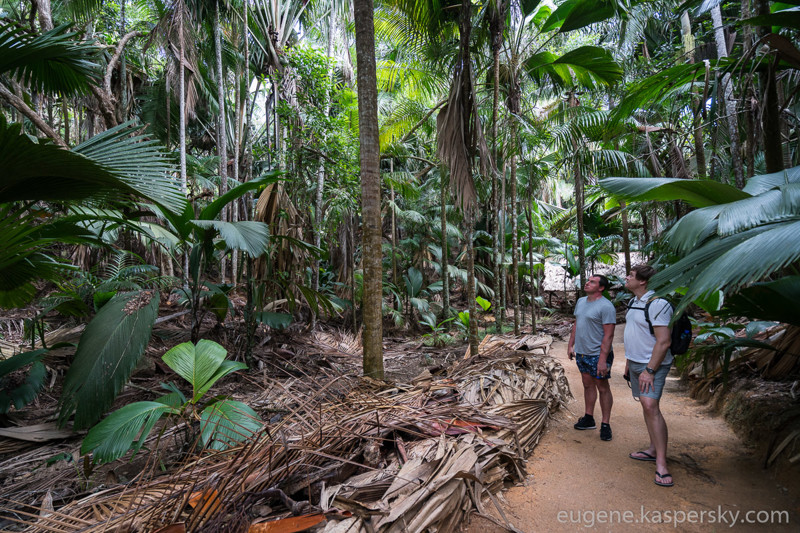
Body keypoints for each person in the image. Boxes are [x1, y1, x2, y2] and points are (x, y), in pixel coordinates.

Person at [623, 264, 674, 487]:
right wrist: (628, 363)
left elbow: (664, 341)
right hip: (635, 362)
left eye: (631, 275)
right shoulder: (634, 302)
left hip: (651, 365)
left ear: (642, 281)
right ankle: (653, 449)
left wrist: (649, 370)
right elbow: (634, 334)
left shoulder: (658, 304)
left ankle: (661, 463)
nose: (626, 278)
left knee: (650, 405)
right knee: (646, 406)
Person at [567, 274, 616, 441]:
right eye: (588, 280)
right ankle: (589, 418)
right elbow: (576, 324)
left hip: (597, 354)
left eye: (592, 282)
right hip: (582, 352)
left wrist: (603, 360)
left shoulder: (606, 306)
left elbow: (609, 336)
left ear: (601, 288)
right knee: (587, 385)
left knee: (602, 387)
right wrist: (570, 344)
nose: (587, 283)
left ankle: (605, 424)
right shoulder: (581, 301)